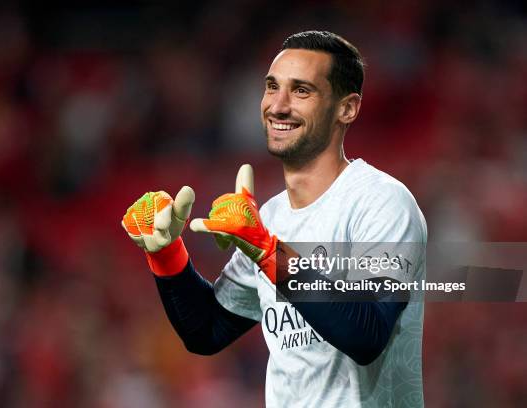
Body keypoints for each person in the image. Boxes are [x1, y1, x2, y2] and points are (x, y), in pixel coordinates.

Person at [122, 30, 427, 407]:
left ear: (347, 108)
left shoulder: (381, 202)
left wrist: (268, 254)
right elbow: (208, 331)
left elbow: (367, 335)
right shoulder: (272, 216)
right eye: (272, 87)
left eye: (301, 91)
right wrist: (167, 254)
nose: (278, 105)